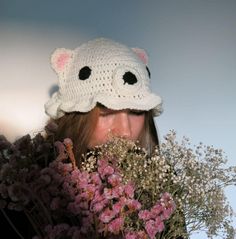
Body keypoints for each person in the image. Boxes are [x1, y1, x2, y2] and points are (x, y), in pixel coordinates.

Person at [44, 37, 163, 167]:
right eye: (106, 112)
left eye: (136, 112)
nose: (125, 131)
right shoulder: (33, 180)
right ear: (75, 117)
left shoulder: (165, 182)